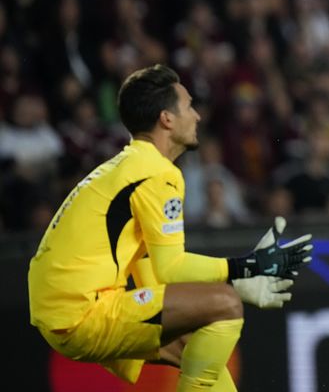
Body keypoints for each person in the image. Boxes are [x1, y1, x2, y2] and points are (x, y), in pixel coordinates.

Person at [28, 64, 313, 390]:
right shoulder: (158, 173)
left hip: (59, 312)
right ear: (166, 119)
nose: (197, 116)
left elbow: (150, 268)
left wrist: (226, 282)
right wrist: (244, 269)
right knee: (226, 304)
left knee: (189, 346)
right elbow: (171, 267)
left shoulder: (128, 166)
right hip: (83, 312)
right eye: (189, 106)